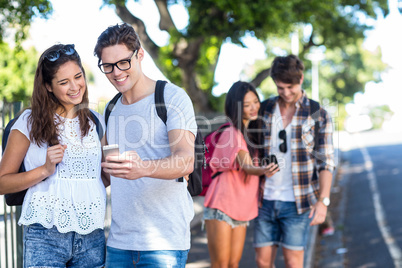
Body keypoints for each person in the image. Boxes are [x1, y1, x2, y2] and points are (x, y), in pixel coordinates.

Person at [94, 23, 197, 267]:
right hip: (118, 243)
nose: (116, 72)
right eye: (107, 66)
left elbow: (186, 160)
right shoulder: (111, 109)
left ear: (140, 55)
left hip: (164, 245)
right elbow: (107, 174)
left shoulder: (171, 97)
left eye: (123, 62)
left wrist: (144, 168)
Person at [0, 44, 107, 267]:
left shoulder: (96, 122)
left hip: (92, 235)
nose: (75, 86)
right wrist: (45, 170)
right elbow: (2, 183)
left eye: (78, 77)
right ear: (48, 86)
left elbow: (102, 177)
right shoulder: (29, 122)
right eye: (63, 82)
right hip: (45, 236)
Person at [253, 54, 335, 268]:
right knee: (262, 263)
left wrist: (323, 201)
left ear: (300, 79)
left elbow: (325, 161)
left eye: (290, 87)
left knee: (293, 263)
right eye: (280, 88)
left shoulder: (318, 113)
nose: (286, 93)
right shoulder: (265, 109)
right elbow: (251, 148)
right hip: (265, 199)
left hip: (298, 202)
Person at [203, 81, 279, 268]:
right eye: (247, 105)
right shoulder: (231, 133)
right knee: (221, 265)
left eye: (255, 102)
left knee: (233, 264)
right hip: (221, 206)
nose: (254, 108)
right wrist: (263, 169)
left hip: (241, 209)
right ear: (236, 107)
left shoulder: (251, 134)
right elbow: (247, 166)